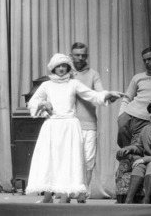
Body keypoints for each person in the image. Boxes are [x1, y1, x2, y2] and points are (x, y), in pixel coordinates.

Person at [27, 54, 124, 203]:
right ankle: (47, 196)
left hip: (69, 127)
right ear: (53, 67)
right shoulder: (47, 85)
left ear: (68, 67)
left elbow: (92, 95)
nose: (61, 69)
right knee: (50, 160)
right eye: (58, 66)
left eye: (64, 66)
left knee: (67, 161)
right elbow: (33, 103)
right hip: (52, 126)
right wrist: (43, 104)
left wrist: (107, 95)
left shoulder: (73, 83)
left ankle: (64, 196)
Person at [69, 42, 104, 202]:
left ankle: (83, 192)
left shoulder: (93, 74)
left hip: (89, 124)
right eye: (77, 55)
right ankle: (69, 192)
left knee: (88, 161)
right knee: (71, 160)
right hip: (70, 125)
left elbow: (100, 93)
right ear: (71, 55)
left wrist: (106, 95)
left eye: (83, 55)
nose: (80, 58)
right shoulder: (65, 73)